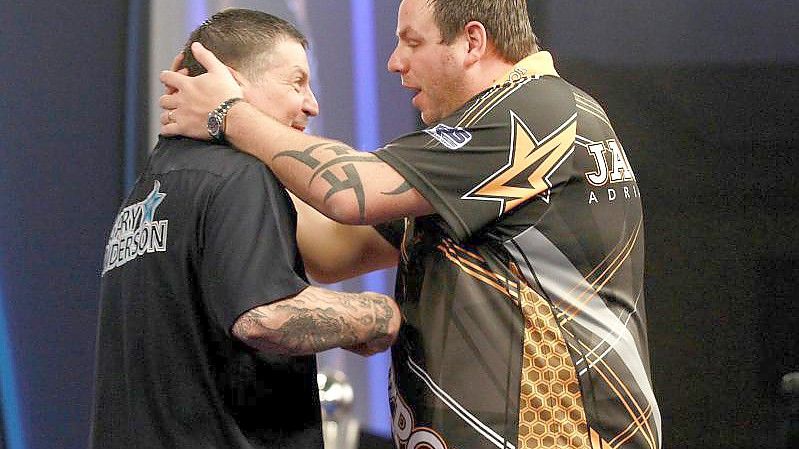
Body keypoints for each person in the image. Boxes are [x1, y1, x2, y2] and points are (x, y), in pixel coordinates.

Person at [159, 0, 662, 448]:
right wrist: (227, 165)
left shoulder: (539, 109)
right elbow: (333, 250)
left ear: (471, 42)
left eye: (411, 42)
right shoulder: (473, 163)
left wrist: (231, 113)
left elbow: (350, 192)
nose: (394, 63)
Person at [90, 9, 401, 449]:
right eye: (296, 82)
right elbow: (265, 316)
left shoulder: (146, 192)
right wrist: (384, 316)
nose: (312, 104)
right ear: (229, 83)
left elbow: (329, 255)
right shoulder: (241, 177)